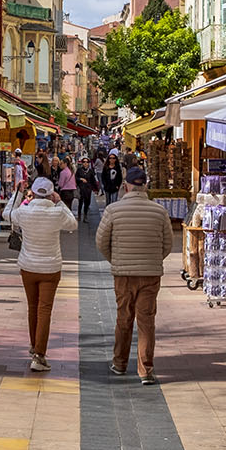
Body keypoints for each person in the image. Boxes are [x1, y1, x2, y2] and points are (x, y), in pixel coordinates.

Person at [95, 165, 175, 385]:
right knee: (146, 321)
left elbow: (101, 242)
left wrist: (116, 259)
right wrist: (153, 260)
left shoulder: (113, 210)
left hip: (124, 274)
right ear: (145, 186)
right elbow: (168, 244)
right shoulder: (159, 211)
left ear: (126, 186)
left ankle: (120, 363)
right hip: (150, 274)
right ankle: (145, 370)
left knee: (124, 318)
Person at [10, 177, 76, 372]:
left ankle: (34, 345)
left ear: (34, 193)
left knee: (32, 306)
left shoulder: (24, 211)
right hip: (50, 268)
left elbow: (7, 213)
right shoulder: (56, 213)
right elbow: (73, 224)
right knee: (44, 309)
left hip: (28, 266)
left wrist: (20, 195)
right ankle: (39, 355)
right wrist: (60, 202)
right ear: (50, 193)